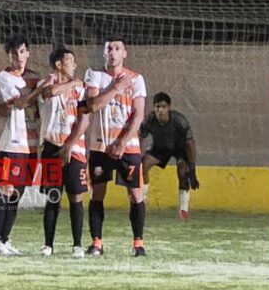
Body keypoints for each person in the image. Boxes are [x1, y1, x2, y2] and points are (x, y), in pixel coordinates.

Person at [83, 37, 148, 257]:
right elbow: (92, 105)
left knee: (135, 194)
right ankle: (97, 243)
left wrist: (121, 141)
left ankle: (138, 244)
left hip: (128, 148)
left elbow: (138, 115)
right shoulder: (94, 75)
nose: (112, 52)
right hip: (100, 148)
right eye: (108, 48)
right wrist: (114, 88)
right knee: (97, 193)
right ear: (104, 53)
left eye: (117, 48)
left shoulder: (136, 79)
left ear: (124, 53)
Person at [0, 34, 42, 257]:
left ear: (28, 52)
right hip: (12, 143)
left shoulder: (34, 78)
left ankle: (5, 238)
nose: (18, 56)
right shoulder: (4, 77)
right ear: (8, 56)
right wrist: (40, 90)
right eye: (14, 53)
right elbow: (19, 103)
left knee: (17, 193)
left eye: (21, 51)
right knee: (6, 189)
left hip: (31, 144)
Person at [37, 47, 90, 258]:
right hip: (51, 147)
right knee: (53, 197)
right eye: (70, 61)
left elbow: (84, 119)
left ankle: (77, 245)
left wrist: (69, 144)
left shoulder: (80, 90)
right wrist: (72, 83)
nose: (75, 65)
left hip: (75, 148)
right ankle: (48, 244)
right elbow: (49, 93)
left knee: (76, 196)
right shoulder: (47, 84)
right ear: (59, 64)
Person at [139, 92, 199, 220]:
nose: (160, 110)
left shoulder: (180, 121)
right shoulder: (149, 120)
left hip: (179, 148)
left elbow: (190, 144)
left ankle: (184, 209)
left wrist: (192, 170)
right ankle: (142, 201)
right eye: (157, 107)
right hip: (160, 148)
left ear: (169, 107)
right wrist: (137, 155)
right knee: (142, 167)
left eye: (163, 107)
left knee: (183, 172)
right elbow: (140, 136)